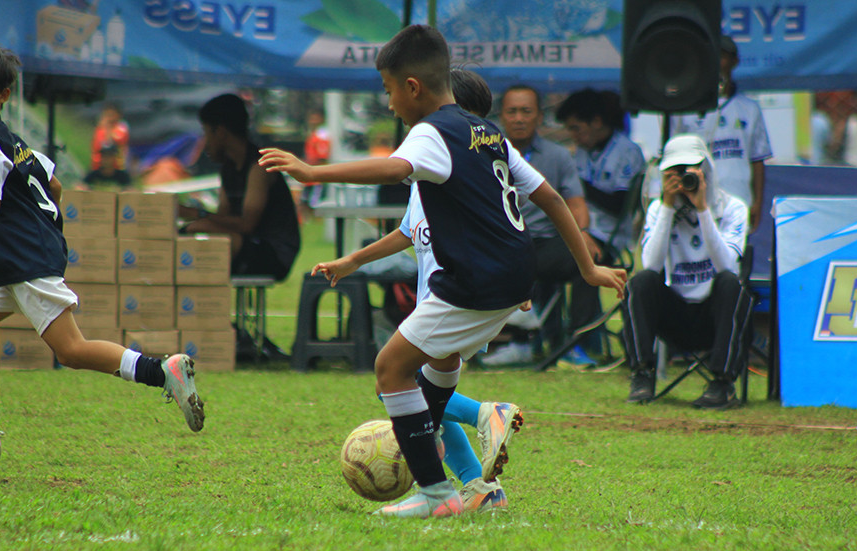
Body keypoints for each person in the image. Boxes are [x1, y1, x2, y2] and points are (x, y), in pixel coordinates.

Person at [259, 24, 625, 518]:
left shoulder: (431, 132)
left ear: (412, 87)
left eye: (388, 92)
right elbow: (552, 197)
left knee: (390, 370)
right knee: (436, 377)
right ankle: (471, 483)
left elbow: (392, 169)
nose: (389, 105)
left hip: (471, 283)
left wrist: (312, 172)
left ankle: (438, 494)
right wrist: (587, 268)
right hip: (513, 277)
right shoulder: (488, 132)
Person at [0, 43, 204, 464]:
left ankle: (163, 372)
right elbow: (54, 182)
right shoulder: (13, 142)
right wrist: (45, 223)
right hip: (16, 260)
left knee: (71, 351)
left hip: (25, 260)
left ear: (3, 95)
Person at [303, 68, 522, 512]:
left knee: (398, 389)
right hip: (440, 300)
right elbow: (407, 230)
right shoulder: (430, 178)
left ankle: (482, 418)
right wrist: (353, 260)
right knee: (425, 406)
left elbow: (502, 228)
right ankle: (480, 489)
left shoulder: (463, 170)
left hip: (456, 298)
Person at [621, 134, 754, 410]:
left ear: (705, 169)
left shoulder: (732, 208)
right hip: (676, 315)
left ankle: (722, 383)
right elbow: (652, 265)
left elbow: (726, 266)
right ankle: (641, 374)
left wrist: (703, 209)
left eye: (689, 171)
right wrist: (668, 206)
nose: (682, 180)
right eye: (675, 172)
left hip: (715, 316)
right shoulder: (659, 209)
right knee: (640, 282)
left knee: (731, 283)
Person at [486, 83, 600, 368]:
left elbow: (575, 202)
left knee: (587, 259)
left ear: (539, 117)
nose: (519, 118)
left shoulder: (558, 156)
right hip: (497, 244)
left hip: (543, 243)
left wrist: (583, 233)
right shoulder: (484, 153)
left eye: (526, 111)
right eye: (512, 111)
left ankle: (575, 343)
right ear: (501, 116)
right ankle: (506, 341)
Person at [177, 94, 300, 282]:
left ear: (221, 132)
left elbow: (247, 224)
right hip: (247, 244)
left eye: (206, 133)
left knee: (200, 231)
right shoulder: (229, 169)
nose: (205, 143)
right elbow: (222, 218)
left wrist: (196, 215)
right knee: (201, 234)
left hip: (274, 253)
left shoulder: (259, 167)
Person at [670, 36, 772, 230]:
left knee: (734, 256)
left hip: (739, 198)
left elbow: (757, 159)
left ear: (734, 62)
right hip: (699, 200)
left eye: (722, 57)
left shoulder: (749, 108)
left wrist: (757, 201)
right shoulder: (686, 109)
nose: (717, 63)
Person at [555, 88, 647, 258]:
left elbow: (620, 206)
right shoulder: (584, 150)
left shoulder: (627, 152)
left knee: (568, 256)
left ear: (596, 122)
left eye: (576, 129)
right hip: (578, 228)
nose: (573, 136)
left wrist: (576, 185)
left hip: (608, 235)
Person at [297, 108, 331, 222]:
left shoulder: (322, 135)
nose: (312, 120)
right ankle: (307, 220)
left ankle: (315, 220)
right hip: (309, 174)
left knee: (314, 202)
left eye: (315, 118)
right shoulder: (313, 134)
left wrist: (317, 172)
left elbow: (323, 156)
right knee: (305, 199)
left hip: (316, 175)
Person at [90, 102, 129, 172]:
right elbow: (96, 146)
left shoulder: (121, 128)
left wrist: (107, 128)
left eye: (112, 115)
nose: (110, 118)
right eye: (107, 115)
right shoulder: (100, 130)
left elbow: (112, 144)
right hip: (98, 166)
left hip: (116, 168)